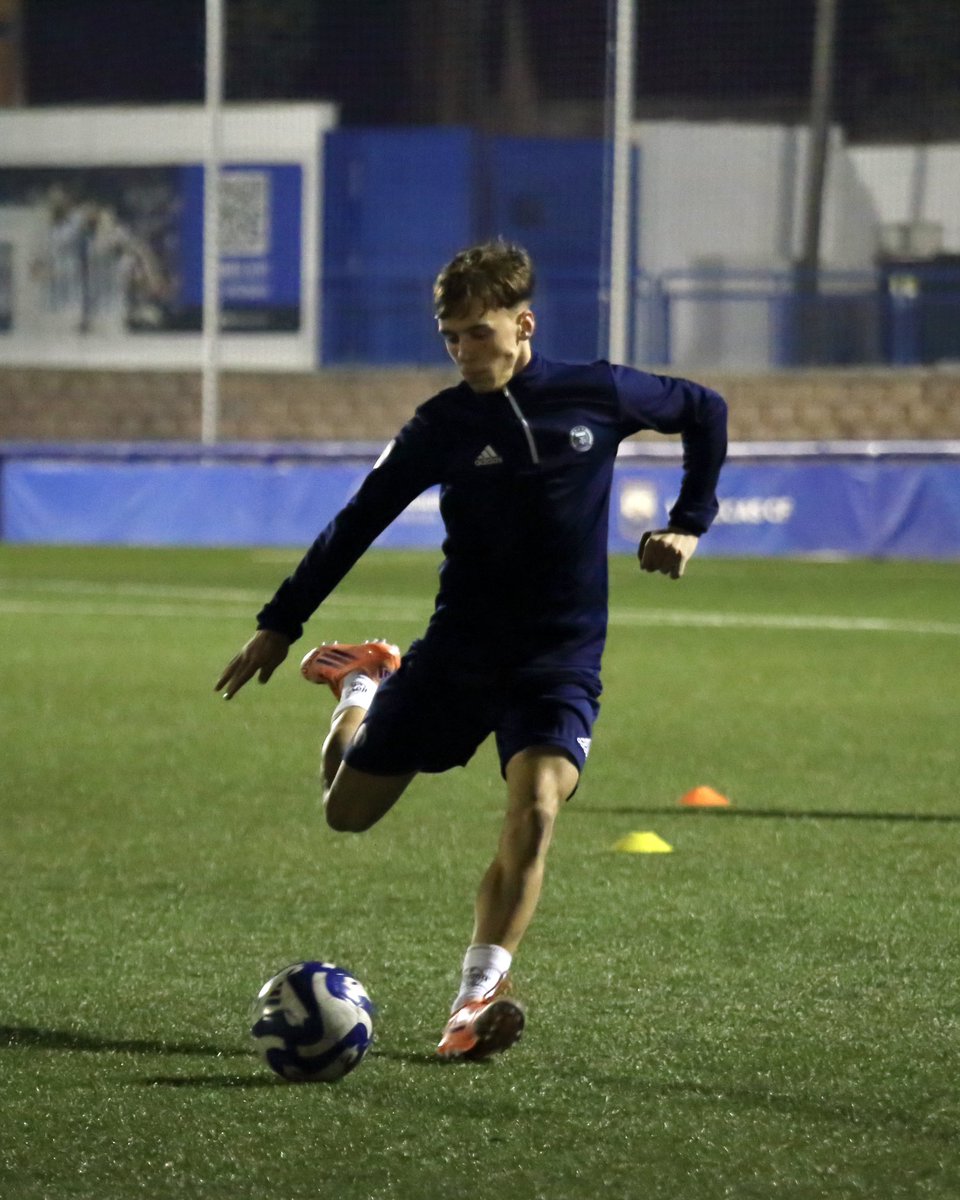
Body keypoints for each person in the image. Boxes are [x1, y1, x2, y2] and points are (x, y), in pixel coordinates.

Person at [215, 240, 727, 1062]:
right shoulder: (441, 426)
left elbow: (704, 408)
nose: (463, 351)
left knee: (538, 808)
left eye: (477, 333)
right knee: (346, 813)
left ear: (523, 325)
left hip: (558, 659)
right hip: (459, 654)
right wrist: (282, 622)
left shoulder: (597, 392)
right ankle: (362, 686)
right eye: (450, 338)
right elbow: (357, 521)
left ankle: (472, 1003)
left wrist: (688, 522)